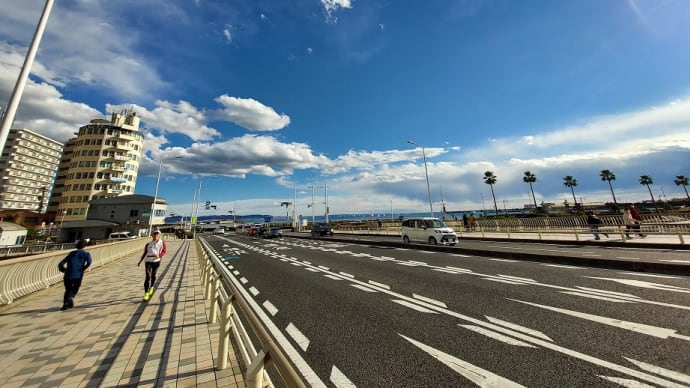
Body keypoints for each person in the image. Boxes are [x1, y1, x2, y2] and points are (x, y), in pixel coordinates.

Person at [58, 239, 92, 310]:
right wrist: (83, 268)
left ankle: (65, 304)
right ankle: (71, 297)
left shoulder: (71, 253)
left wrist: (64, 270)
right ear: (85, 246)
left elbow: (60, 264)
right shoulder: (86, 254)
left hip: (67, 275)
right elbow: (89, 262)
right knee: (76, 287)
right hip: (78, 274)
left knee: (68, 290)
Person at [138, 230, 167, 301]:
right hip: (148, 261)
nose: (155, 236)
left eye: (157, 235)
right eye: (154, 235)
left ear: (159, 236)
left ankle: (152, 287)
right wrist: (140, 261)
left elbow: (164, 251)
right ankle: (146, 293)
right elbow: (145, 253)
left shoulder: (162, 243)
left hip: (156, 262)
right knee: (148, 276)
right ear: (152, 235)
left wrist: (159, 256)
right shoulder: (148, 244)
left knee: (153, 275)